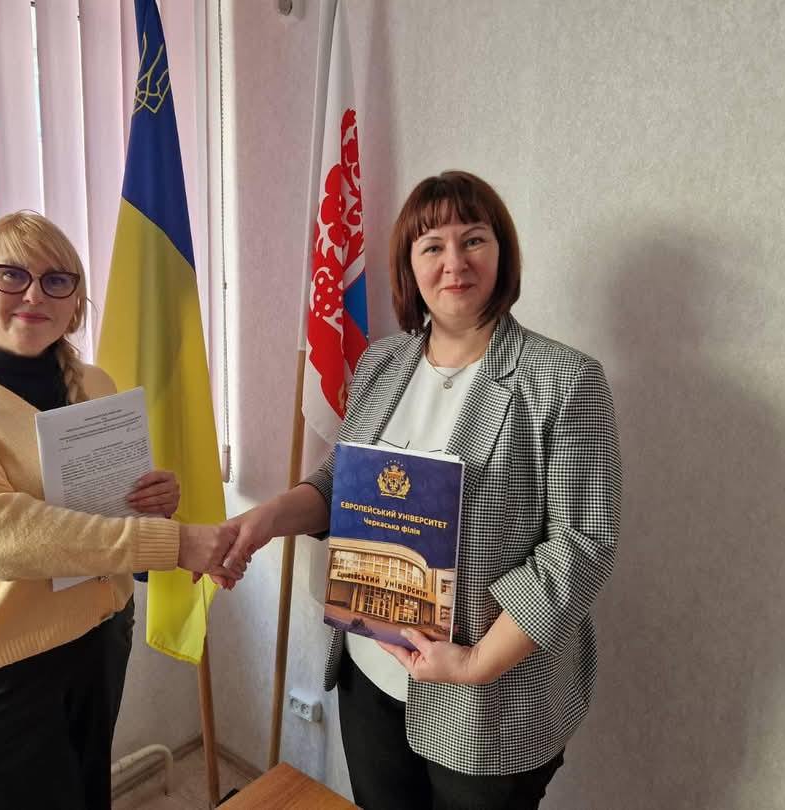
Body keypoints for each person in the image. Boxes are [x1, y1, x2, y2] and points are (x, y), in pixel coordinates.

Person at [224, 171, 621, 809]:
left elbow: (583, 544)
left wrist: (474, 663)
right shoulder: (381, 363)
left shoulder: (564, 378)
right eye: (432, 245)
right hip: (370, 671)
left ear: (502, 251)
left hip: (488, 697)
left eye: (474, 239)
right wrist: (269, 516)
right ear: (410, 265)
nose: (454, 262)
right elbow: (343, 481)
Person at [0, 211, 242, 810]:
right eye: (11, 275)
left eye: (56, 280)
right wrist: (174, 543)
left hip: (98, 641)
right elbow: (0, 538)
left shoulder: (96, 384)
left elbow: (100, 519)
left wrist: (153, 502)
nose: (34, 294)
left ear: (74, 301)